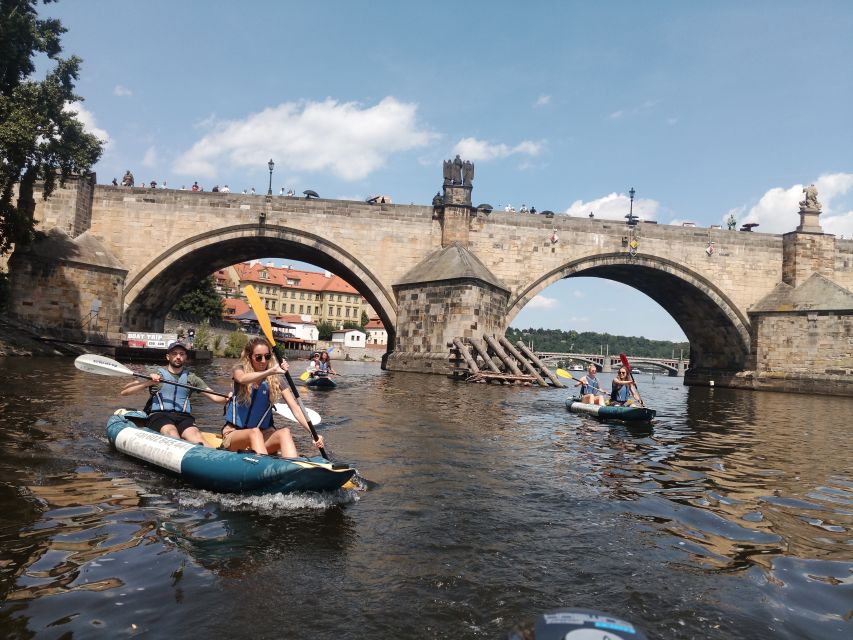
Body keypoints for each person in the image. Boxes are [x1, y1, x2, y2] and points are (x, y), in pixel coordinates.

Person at [221, 338, 325, 457]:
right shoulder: (239, 369)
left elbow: (295, 408)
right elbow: (242, 379)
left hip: (263, 434)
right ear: (249, 357)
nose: (263, 361)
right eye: (258, 357)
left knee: (284, 432)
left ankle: (292, 467)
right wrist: (271, 371)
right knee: (254, 432)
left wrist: (313, 434)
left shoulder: (275, 379)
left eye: (267, 356)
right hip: (235, 434)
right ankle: (265, 469)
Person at [120, 341, 227, 446]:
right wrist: (148, 383)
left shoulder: (192, 378)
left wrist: (229, 399)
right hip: (159, 416)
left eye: (181, 354)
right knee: (171, 432)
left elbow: (215, 397)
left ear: (185, 357)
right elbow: (125, 391)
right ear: (168, 357)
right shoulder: (155, 373)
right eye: (174, 354)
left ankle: (210, 458)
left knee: (195, 436)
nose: (178, 357)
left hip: (183, 417)